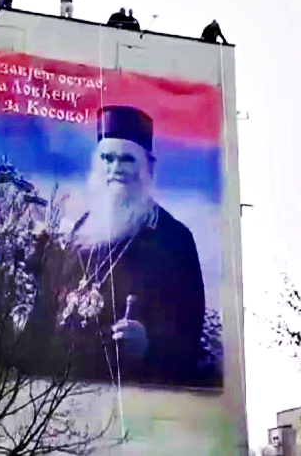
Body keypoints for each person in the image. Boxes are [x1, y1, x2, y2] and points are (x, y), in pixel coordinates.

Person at [19, 105, 207, 387]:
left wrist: (148, 348)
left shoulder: (174, 240)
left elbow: (187, 338)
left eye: (127, 159)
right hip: (57, 394)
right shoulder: (84, 228)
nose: (116, 168)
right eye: (107, 158)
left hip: (128, 396)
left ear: (147, 168)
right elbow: (54, 302)